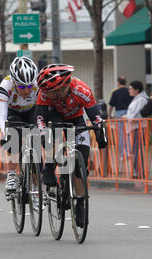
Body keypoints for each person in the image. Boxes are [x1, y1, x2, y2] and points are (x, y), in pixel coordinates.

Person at [35, 64, 107, 227]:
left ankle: (80, 201)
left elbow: (96, 117)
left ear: (62, 87)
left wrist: (101, 134)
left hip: (76, 118)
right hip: (55, 116)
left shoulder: (82, 90)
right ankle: (49, 166)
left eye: (52, 93)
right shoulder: (44, 94)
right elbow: (41, 119)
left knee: (81, 164)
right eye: (46, 93)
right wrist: (44, 135)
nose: (48, 95)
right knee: (55, 133)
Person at [0, 56, 39, 194]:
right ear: (14, 82)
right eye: (22, 86)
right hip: (13, 113)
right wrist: (5, 133)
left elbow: (44, 108)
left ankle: (37, 188)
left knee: (37, 146)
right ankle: (11, 174)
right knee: (13, 139)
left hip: (32, 111)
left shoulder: (38, 84)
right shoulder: (6, 85)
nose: (27, 91)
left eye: (29, 86)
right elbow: (1, 114)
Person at [123, 81, 149, 179]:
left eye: (130, 89)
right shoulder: (137, 99)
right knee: (136, 150)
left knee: (138, 151)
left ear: (136, 90)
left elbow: (135, 115)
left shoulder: (141, 99)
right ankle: (137, 171)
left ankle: (139, 171)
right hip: (135, 127)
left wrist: (127, 117)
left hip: (138, 127)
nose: (129, 91)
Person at [108, 76, 134, 161]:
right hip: (129, 113)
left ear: (118, 83)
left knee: (120, 135)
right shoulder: (129, 91)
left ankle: (123, 154)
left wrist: (109, 114)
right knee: (129, 134)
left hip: (119, 114)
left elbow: (111, 105)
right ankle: (130, 152)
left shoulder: (115, 92)